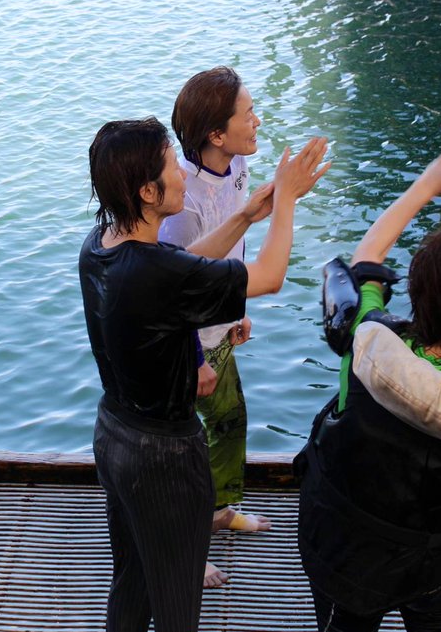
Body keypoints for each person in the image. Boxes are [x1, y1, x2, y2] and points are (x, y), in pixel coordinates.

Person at [80, 117, 328, 632]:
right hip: (165, 458)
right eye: (174, 167)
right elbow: (270, 276)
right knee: (176, 605)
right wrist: (287, 200)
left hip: (114, 436)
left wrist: (243, 217)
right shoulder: (156, 273)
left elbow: (179, 265)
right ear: (149, 192)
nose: (184, 176)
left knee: (131, 580)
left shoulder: (100, 245)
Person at [298, 153, 441, 632]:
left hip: (348, 551)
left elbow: (368, 259)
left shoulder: (367, 343)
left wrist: (426, 186)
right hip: (437, 564)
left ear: (416, 287)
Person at [158, 66, 270, 588]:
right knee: (180, 452)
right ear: (215, 135)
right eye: (247, 114)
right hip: (187, 348)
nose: (257, 121)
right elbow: (168, 293)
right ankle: (182, 546)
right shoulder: (183, 205)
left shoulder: (240, 163)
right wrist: (195, 357)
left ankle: (219, 510)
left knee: (229, 423)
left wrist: (235, 310)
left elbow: (232, 248)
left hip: (220, 330)